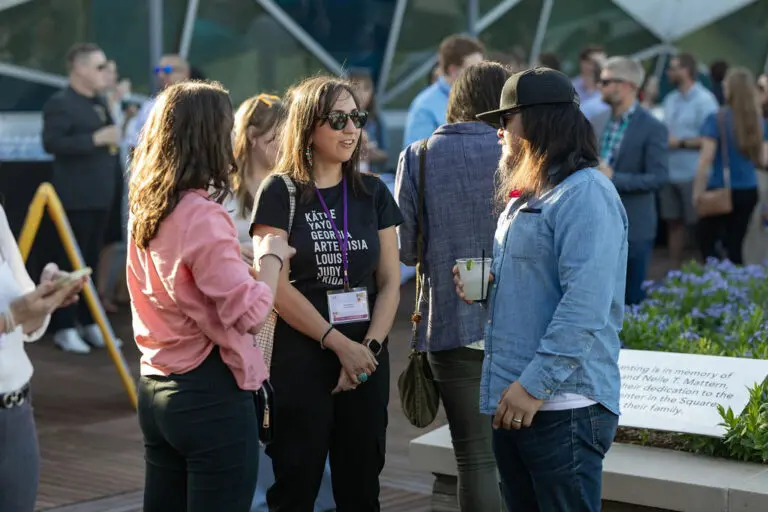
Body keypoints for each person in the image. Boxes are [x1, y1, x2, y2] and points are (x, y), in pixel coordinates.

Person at [127, 81, 295, 512]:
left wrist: (236, 258)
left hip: (156, 386)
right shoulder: (203, 214)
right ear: (208, 137)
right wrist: (270, 258)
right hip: (209, 396)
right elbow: (251, 314)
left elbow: (177, 280)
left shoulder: (148, 207)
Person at [467, 67, 627, 512]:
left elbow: (585, 306)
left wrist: (533, 388)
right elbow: (541, 287)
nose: (500, 132)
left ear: (539, 122)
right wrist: (487, 286)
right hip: (515, 400)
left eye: (506, 119)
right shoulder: (529, 196)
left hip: (562, 406)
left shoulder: (586, 193)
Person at [250, 75, 403, 511]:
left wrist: (366, 350)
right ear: (307, 126)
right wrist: (340, 346)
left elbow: (391, 282)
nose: (351, 129)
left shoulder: (373, 192)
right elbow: (274, 284)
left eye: (357, 117)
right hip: (303, 361)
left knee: (361, 489)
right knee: (295, 488)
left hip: (366, 365)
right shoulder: (280, 191)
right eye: (338, 119)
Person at [395, 61, 507, 512]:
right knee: (516, 456)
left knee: (474, 458)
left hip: (449, 324)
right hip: (516, 319)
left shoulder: (418, 155)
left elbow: (405, 250)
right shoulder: (519, 152)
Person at [0, 204, 86, 512]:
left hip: (15, 414)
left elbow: (25, 323)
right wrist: (10, 317)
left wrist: (48, 297)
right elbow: (13, 316)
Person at [41, 42, 122, 353]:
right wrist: (95, 139)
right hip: (74, 198)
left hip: (102, 196)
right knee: (68, 263)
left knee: (89, 262)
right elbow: (52, 142)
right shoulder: (60, 102)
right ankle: (63, 326)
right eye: (100, 66)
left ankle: (90, 322)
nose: (106, 73)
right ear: (80, 68)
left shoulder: (99, 101)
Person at [596, 57, 668, 305]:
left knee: (630, 300)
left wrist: (615, 178)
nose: (600, 86)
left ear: (627, 85)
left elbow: (658, 178)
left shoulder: (652, 127)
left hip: (634, 226)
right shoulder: (598, 121)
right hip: (596, 222)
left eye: (606, 81)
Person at [694, 67, 768, 264]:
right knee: (736, 245)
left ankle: (715, 284)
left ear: (731, 90)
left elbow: (705, 159)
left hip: (721, 189)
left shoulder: (717, 118)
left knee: (706, 242)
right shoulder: (758, 121)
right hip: (749, 189)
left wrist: (697, 192)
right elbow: (763, 160)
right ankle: (737, 287)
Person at [662, 53, 718, 270]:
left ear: (686, 70)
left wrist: (680, 143)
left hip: (692, 173)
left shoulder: (705, 100)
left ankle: (696, 274)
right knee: (672, 223)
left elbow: (710, 139)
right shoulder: (670, 100)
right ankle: (674, 271)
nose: (669, 72)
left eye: (673, 68)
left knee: (696, 227)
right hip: (670, 172)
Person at [403, 34, 485, 147]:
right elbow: (418, 157)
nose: (480, 75)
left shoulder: (481, 98)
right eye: (473, 70)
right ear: (453, 70)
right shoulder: (425, 106)